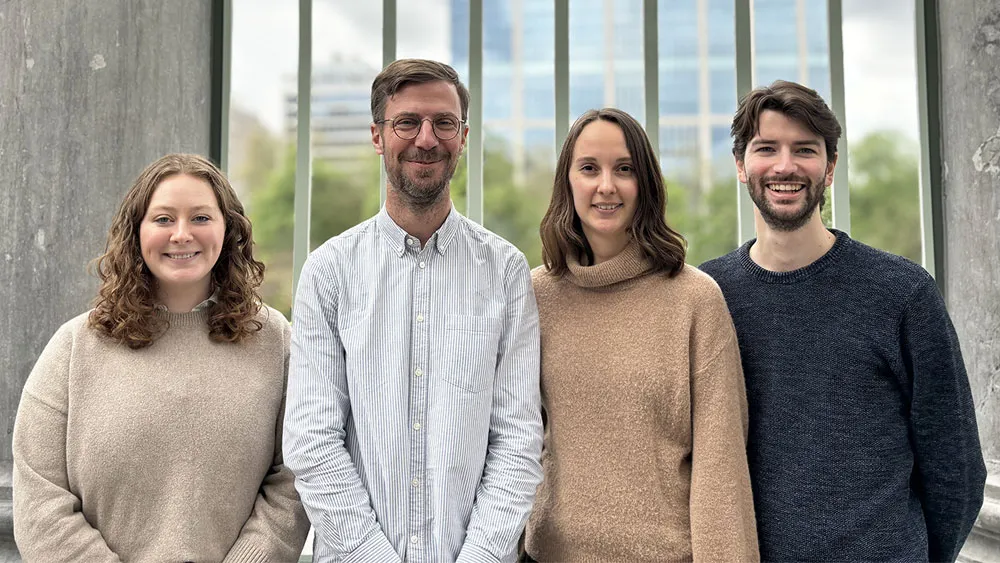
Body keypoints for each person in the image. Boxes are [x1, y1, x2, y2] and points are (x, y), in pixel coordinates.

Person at [699, 80, 987, 562]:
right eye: (766, 148)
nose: (785, 166)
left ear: (830, 168)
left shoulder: (902, 293)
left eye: (804, 150)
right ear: (740, 166)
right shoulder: (708, 295)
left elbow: (954, 465)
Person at [282, 58, 543, 561]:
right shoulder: (328, 272)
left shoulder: (506, 271)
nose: (427, 138)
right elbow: (313, 442)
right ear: (378, 136)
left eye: (443, 122)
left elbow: (516, 440)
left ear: (462, 136)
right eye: (407, 122)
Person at [12, 153, 310, 562]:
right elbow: (39, 497)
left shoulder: (274, 341)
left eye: (201, 218)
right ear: (136, 231)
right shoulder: (74, 347)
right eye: (164, 219)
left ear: (228, 230)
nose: (182, 234)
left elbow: (294, 479)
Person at [524, 108, 759, 561]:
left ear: (645, 183)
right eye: (589, 168)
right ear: (567, 182)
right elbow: (512, 445)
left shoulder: (694, 299)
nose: (606, 186)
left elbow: (720, 468)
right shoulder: (535, 296)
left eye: (625, 169)